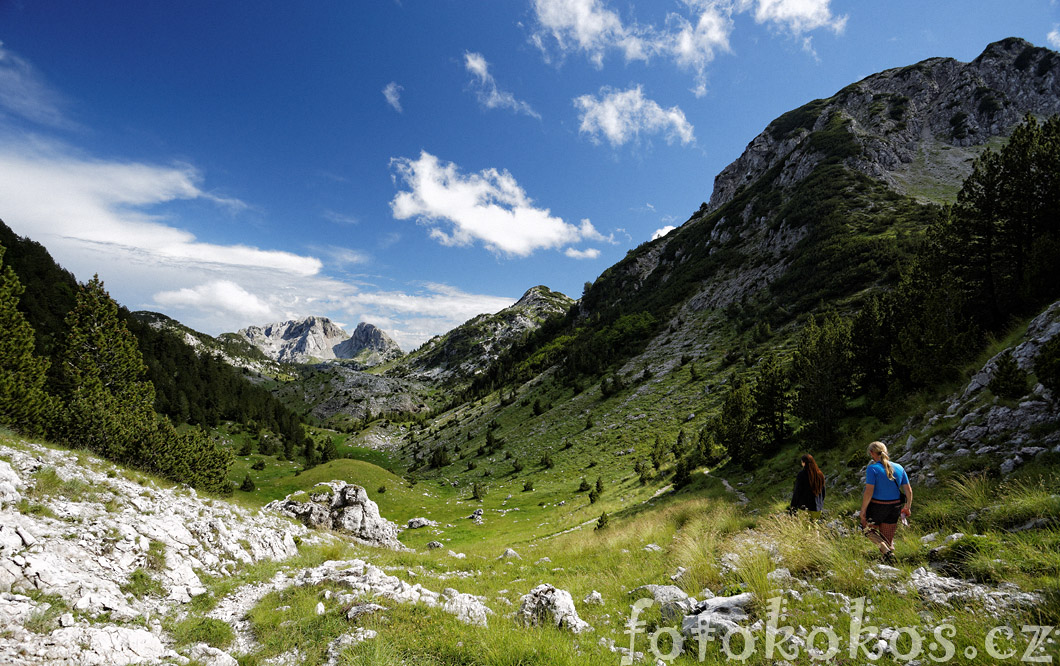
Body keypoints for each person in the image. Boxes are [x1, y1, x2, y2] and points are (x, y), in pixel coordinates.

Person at [860, 441, 912, 563]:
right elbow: (908, 490)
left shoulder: (872, 468)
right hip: (895, 506)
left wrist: (863, 510)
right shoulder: (899, 467)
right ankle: (889, 560)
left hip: (878, 506)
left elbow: (869, 491)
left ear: (872, 453)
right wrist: (907, 507)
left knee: (866, 529)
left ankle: (887, 552)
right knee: (887, 537)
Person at [789, 453, 825, 519]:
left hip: (804, 507)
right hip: (817, 507)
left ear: (804, 463)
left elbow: (797, 491)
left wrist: (793, 506)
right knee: (814, 527)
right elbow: (823, 491)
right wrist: (820, 504)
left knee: (805, 528)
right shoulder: (820, 474)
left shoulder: (801, 475)